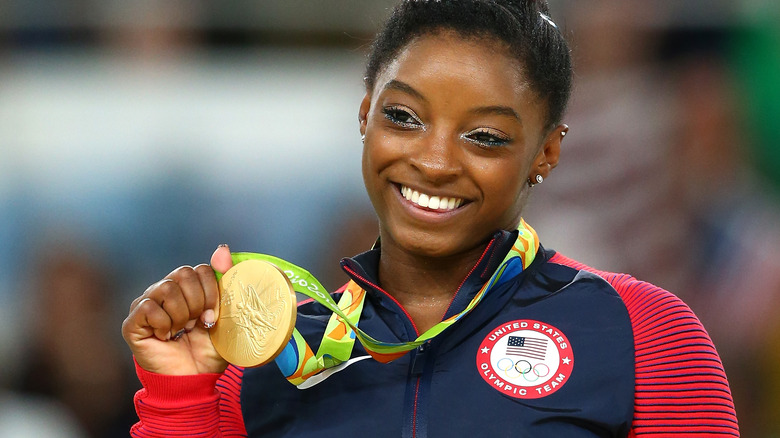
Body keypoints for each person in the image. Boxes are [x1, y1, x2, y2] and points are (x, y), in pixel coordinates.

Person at [122, 1, 740, 436]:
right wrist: (182, 394)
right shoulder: (267, 362)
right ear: (365, 113)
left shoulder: (644, 335)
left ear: (546, 152)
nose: (436, 161)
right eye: (404, 118)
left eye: (485, 136)